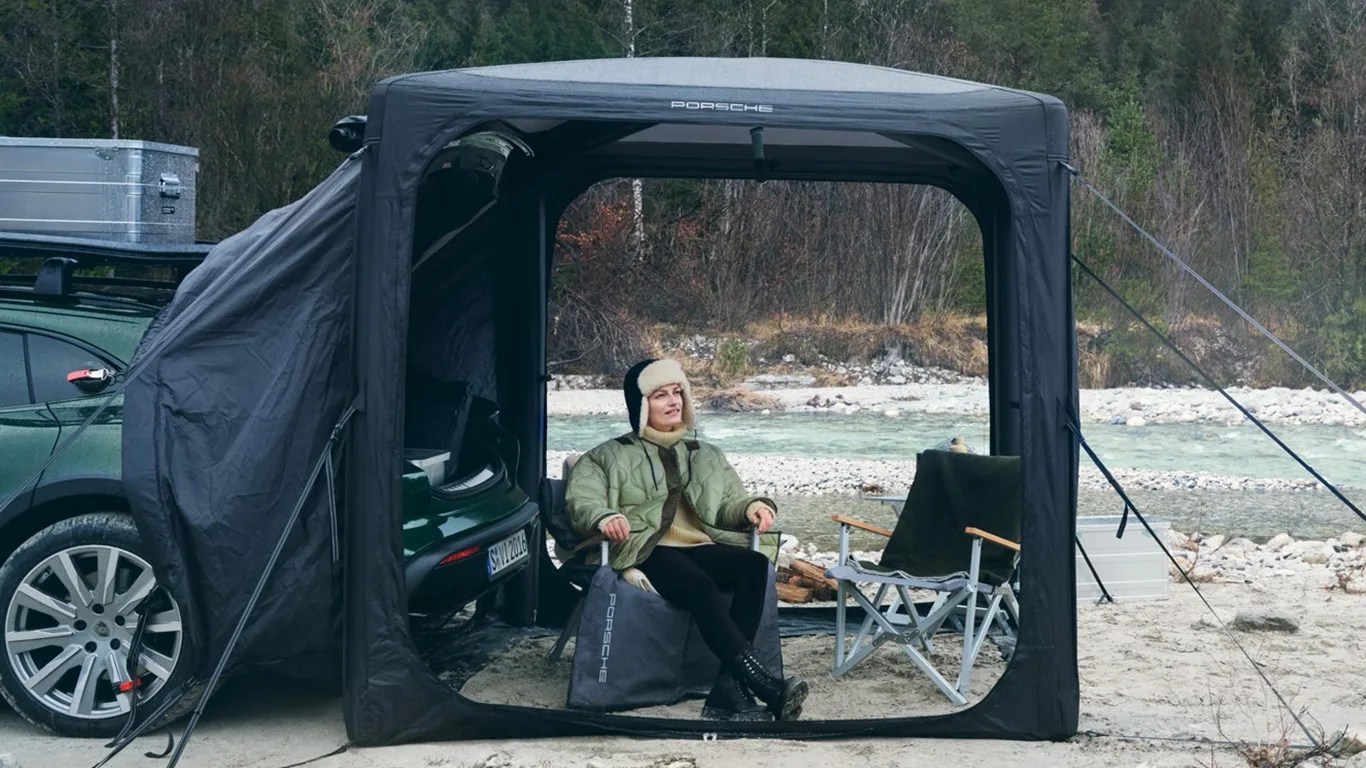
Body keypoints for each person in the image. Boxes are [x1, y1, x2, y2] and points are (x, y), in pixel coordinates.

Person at [565, 357, 809, 722]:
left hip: (699, 545)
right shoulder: (605, 457)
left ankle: (730, 687)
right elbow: (582, 502)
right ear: (641, 404)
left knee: (755, 565)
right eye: (660, 395)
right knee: (699, 585)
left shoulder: (706, 454)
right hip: (644, 547)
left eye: (677, 392)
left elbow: (728, 502)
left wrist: (752, 507)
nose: (673, 401)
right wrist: (605, 516)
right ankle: (760, 683)